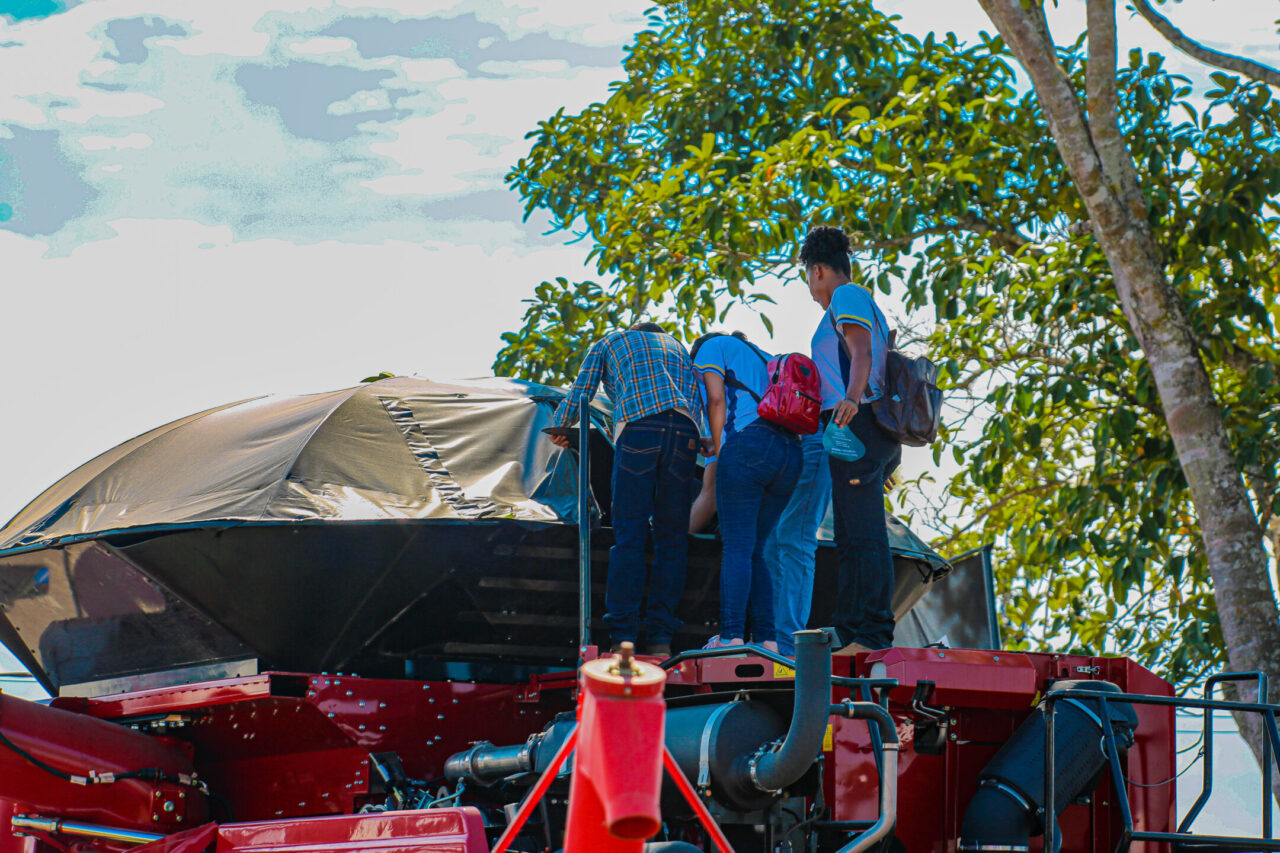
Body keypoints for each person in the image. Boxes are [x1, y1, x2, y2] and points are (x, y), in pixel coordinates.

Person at [549, 321, 710, 657]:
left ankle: (624, 637)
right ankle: (661, 640)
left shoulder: (613, 340)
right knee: (672, 540)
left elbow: (582, 392)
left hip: (640, 428)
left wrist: (561, 427)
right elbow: (698, 395)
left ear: (635, 330)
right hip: (685, 432)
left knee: (629, 536)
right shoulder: (678, 348)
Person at [800, 226, 901, 655]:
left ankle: (873, 634)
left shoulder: (846, 296)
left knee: (864, 535)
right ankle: (848, 630)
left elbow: (862, 351)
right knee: (848, 534)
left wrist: (852, 400)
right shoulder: (853, 300)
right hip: (854, 429)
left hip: (856, 422)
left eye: (808, 278)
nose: (811, 290)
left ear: (818, 270)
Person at [690, 331, 801, 651]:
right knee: (757, 549)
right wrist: (719, 444)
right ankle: (767, 640)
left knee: (737, 546)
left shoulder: (711, 347)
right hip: (790, 453)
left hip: (748, 448)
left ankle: (730, 637)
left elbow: (716, 399)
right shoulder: (764, 357)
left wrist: (724, 449)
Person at [764, 429, 831, 657]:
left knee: (796, 536)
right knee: (770, 542)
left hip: (815, 437)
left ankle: (788, 642)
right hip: (782, 441)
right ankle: (771, 638)